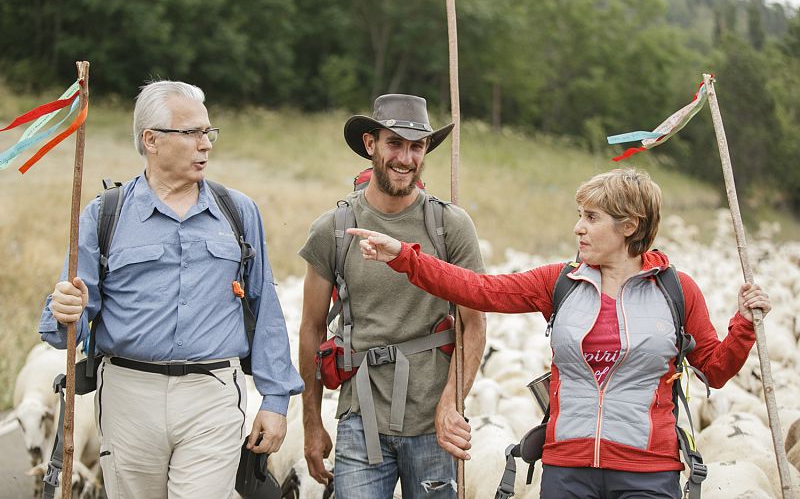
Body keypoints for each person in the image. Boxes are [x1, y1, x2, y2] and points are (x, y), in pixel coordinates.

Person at [349, 168, 772, 499]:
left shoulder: (676, 292)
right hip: (567, 470)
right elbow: (479, 289)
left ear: (629, 225)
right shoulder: (561, 282)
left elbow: (714, 371)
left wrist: (744, 326)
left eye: (592, 218)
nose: (578, 228)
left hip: (649, 473)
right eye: (579, 216)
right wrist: (405, 257)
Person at [39, 80, 303, 499]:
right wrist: (65, 309)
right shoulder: (104, 215)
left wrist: (275, 400)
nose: (206, 145)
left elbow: (264, 307)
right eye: (193, 133)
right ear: (152, 140)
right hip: (128, 394)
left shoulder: (237, 211)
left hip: (213, 393)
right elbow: (67, 324)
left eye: (209, 133)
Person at [298, 94, 487, 498]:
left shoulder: (449, 226)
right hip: (360, 419)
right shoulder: (334, 229)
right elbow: (311, 329)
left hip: (433, 423)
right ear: (371, 145)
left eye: (416, 146)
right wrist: (312, 424)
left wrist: (451, 405)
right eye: (394, 143)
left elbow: (474, 324)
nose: (405, 158)